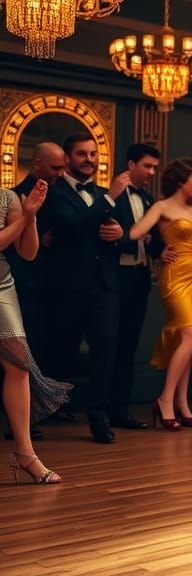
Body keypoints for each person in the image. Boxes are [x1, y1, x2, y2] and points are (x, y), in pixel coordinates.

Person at [129, 158, 192, 431]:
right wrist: (157, 246)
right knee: (191, 334)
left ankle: (181, 404)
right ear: (181, 180)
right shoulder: (162, 206)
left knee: (189, 336)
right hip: (174, 275)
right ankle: (165, 398)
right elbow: (136, 231)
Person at [47, 133, 128, 443]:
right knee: (60, 351)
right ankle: (41, 411)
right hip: (68, 286)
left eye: (93, 154)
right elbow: (76, 226)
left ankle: (99, 417)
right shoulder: (56, 194)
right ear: (67, 159)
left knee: (105, 350)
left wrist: (119, 232)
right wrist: (109, 200)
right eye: (82, 154)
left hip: (105, 285)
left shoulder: (105, 193)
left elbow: (120, 233)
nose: (89, 160)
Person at [1, 179, 71, 483]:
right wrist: (26, 216)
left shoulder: (8, 198)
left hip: (2, 285)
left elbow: (28, 253)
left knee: (19, 366)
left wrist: (29, 215)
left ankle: (25, 453)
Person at [110, 143, 164, 430]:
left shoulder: (147, 198)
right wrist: (130, 239)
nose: (152, 172)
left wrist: (159, 250)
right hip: (114, 279)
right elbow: (106, 233)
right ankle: (103, 409)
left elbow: (152, 238)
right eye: (147, 166)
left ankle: (121, 410)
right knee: (110, 345)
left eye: (155, 167)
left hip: (139, 280)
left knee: (128, 347)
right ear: (131, 165)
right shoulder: (111, 196)